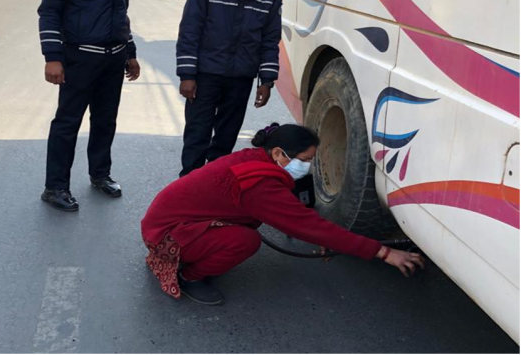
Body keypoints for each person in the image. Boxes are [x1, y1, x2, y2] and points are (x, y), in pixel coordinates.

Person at [141, 124, 426, 305]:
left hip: (171, 220)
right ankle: (191, 276)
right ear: (278, 153)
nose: (307, 167)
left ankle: (200, 254)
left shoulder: (256, 161)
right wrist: (384, 253)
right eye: (304, 160)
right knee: (245, 241)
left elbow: (297, 214)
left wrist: (324, 233)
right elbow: (305, 223)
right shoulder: (259, 184)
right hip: (168, 233)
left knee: (246, 234)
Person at [37, 0, 158, 212]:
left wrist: (130, 52)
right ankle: (55, 186)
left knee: (106, 121)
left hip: (113, 58)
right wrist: (53, 56)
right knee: (67, 123)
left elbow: (121, 13)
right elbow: (50, 11)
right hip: (79, 58)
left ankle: (100, 174)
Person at [176, 0, 283, 177]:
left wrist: (267, 80)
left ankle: (213, 190)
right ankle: (188, 188)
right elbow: (190, 31)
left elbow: (270, 39)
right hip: (205, 76)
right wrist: (187, 75)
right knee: (197, 136)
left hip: (241, 78)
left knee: (225, 140)